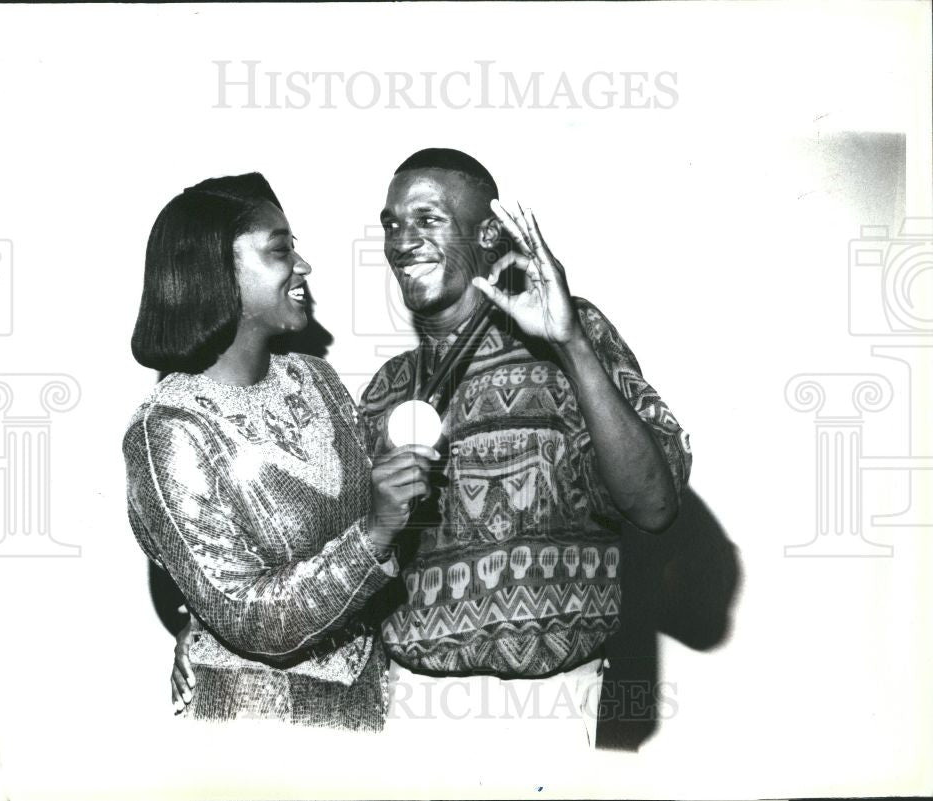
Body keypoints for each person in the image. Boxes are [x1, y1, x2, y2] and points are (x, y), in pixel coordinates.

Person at [174, 151, 692, 746]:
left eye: (428, 219)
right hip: (404, 707)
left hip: (548, 705)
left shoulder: (573, 337)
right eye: (392, 224)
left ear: (489, 233)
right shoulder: (384, 390)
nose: (402, 241)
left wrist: (570, 341)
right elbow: (322, 550)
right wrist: (209, 632)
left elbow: (655, 506)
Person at [124, 172, 436, 731]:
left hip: (370, 709)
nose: (303, 266)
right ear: (217, 271)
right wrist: (376, 531)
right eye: (281, 249)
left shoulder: (316, 379)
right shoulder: (167, 431)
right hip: (256, 728)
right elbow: (249, 617)